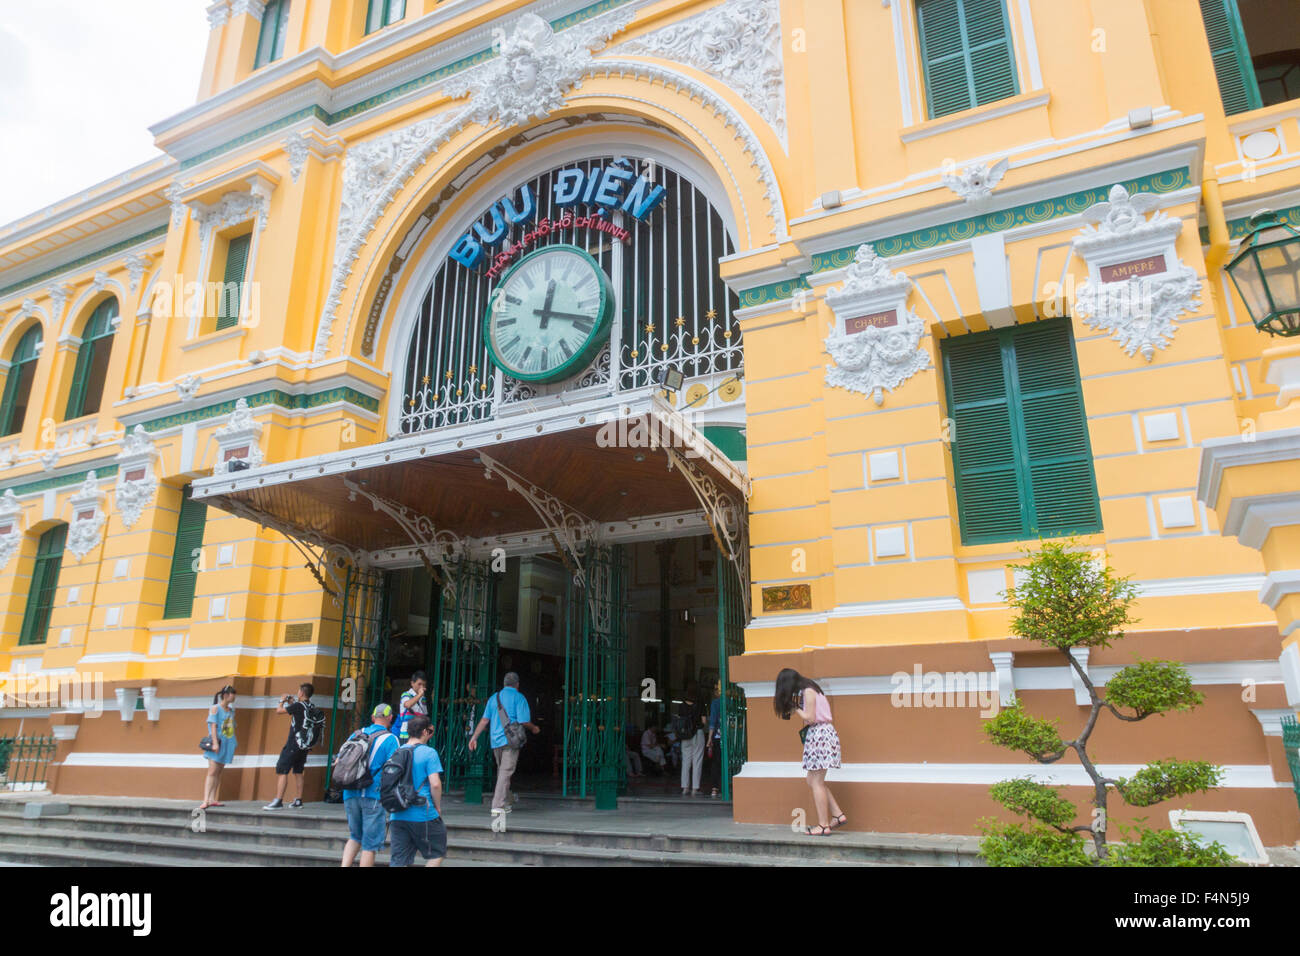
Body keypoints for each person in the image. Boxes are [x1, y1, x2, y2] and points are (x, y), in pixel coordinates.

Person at [774, 667, 845, 836]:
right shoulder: (811, 689)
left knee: (816, 782)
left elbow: (811, 718)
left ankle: (823, 825)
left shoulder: (808, 691)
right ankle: (838, 815)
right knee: (812, 780)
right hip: (821, 735)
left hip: (820, 735)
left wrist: (795, 708)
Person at [467, 672, 540, 818]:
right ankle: (497, 805)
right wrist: (534, 728)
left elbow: (484, 720)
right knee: (505, 772)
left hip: (496, 741)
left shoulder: (494, 698)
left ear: (505, 683)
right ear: (517, 684)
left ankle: (506, 801)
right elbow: (524, 721)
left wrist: (474, 737)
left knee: (503, 772)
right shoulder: (519, 697)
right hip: (511, 741)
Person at [341, 703, 400, 867]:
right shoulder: (391, 739)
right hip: (373, 795)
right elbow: (394, 769)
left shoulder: (355, 734)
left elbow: (340, 759)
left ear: (373, 717)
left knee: (354, 837)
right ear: (390, 718)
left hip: (350, 792)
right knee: (369, 845)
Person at [388, 715, 446, 867]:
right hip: (423, 813)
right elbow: (435, 784)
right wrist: (438, 807)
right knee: (436, 852)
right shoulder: (429, 753)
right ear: (426, 732)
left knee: (399, 861)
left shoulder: (397, 751)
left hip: (397, 813)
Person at [264, 682, 316, 810]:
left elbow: (279, 711)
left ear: (302, 693)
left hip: (293, 743)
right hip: (304, 745)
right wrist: (292, 703)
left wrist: (281, 700)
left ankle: (278, 800)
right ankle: (298, 800)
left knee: (283, 770)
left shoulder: (298, 705)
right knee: (298, 771)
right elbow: (299, 715)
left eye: (299, 691)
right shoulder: (310, 706)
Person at [198, 685, 237, 810]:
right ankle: (205, 800)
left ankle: (212, 799)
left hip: (227, 742)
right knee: (212, 771)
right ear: (226, 695)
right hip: (218, 742)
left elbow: (231, 726)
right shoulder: (215, 708)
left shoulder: (231, 710)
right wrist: (215, 743)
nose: (234, 697)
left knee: (219, 772)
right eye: (232, 694)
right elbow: (213, 726)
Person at [677, 685, 707, 796]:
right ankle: (695, 789)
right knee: (697, 761)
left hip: (685, 736)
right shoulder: (700, 704)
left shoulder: (681, 706)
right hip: (697, 734)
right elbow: (704, 721)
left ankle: (685, 788)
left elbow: (679, 721)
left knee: (685, 762)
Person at [397, 671, 428, 743]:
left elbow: (424, 714)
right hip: (406, 734)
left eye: (423, 685)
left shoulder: (422, 698)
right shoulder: (406, 695)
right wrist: (419, 695)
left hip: (419, 735)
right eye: (419, 684)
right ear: (412, 683)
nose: (421, 687)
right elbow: (407, 704)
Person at [706, 679, 723, 798]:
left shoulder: (716, 703)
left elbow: (712, 722)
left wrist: (709, 738)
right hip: (732, 738)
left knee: (716, 763)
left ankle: (715, 788)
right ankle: (728, 786)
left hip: (718, 736)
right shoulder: (732, 701)